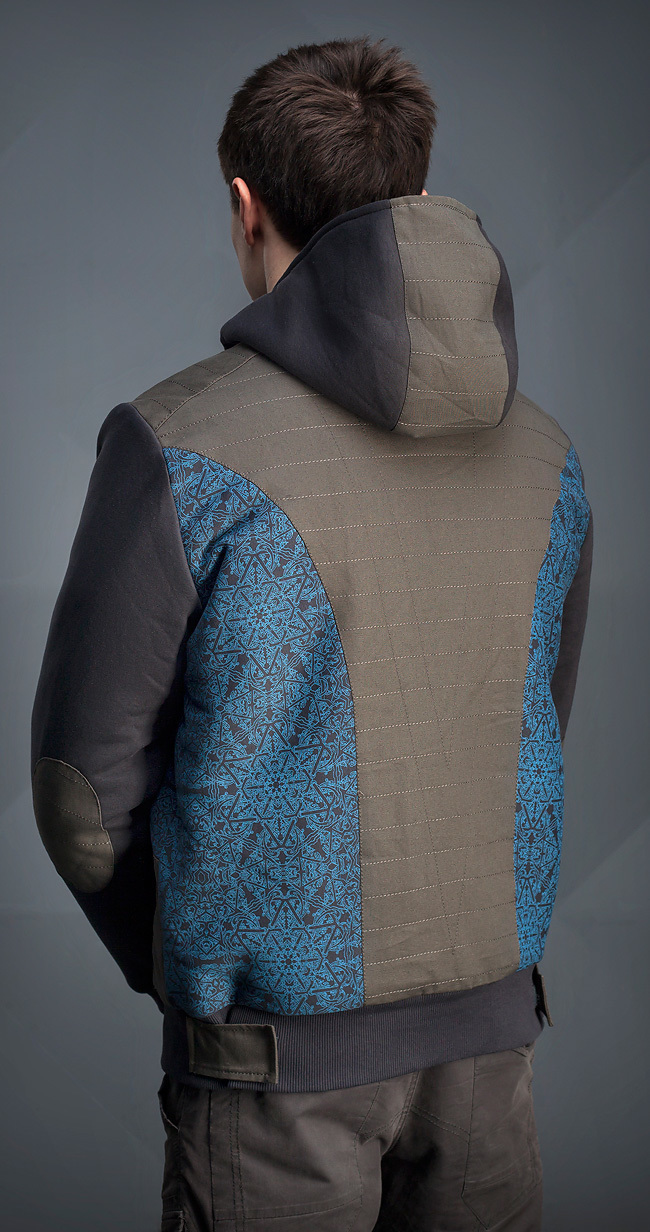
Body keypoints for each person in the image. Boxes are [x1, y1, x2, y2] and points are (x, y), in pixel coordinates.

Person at [30, 35, 593, 1232]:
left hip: (270, 1076)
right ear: (417, 192)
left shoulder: (176, 444)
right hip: (492, 1050)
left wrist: (202, 958)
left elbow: (81, 797)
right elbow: (533, 719)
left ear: (245, 207)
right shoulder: (548, 458)